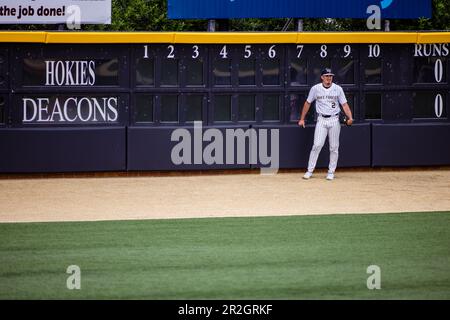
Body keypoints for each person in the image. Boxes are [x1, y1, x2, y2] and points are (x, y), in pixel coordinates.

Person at [298, 68, 353, 180]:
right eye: (327, 76)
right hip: (321, 119)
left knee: (334, 147)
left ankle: (331, 172)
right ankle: (309, 170)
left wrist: (350, 117)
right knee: (317, 145)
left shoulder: (338, 89)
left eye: (330, 76)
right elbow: (308, 103)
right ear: (322, 77)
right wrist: (302, 119)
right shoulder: (315, 89)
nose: (329, 78)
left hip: (334, 119)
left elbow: (345, 105)